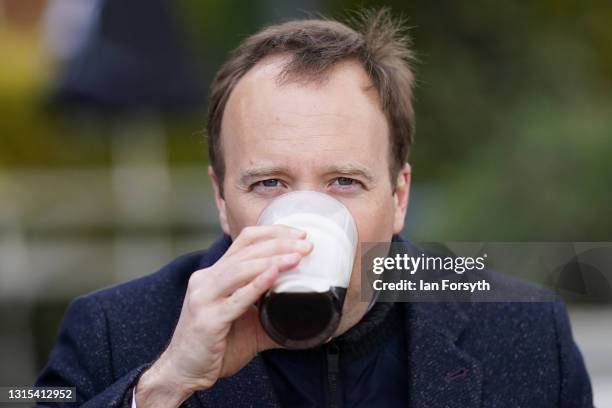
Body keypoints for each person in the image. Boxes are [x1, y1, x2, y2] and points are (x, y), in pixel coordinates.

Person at [36, 8, 593, 407]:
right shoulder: (115, 330)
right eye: (270, 184)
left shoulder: (522, 327)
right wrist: (164, 387)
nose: (304, 220)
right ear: (220, 200)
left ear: (398, 198)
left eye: (344, 182)